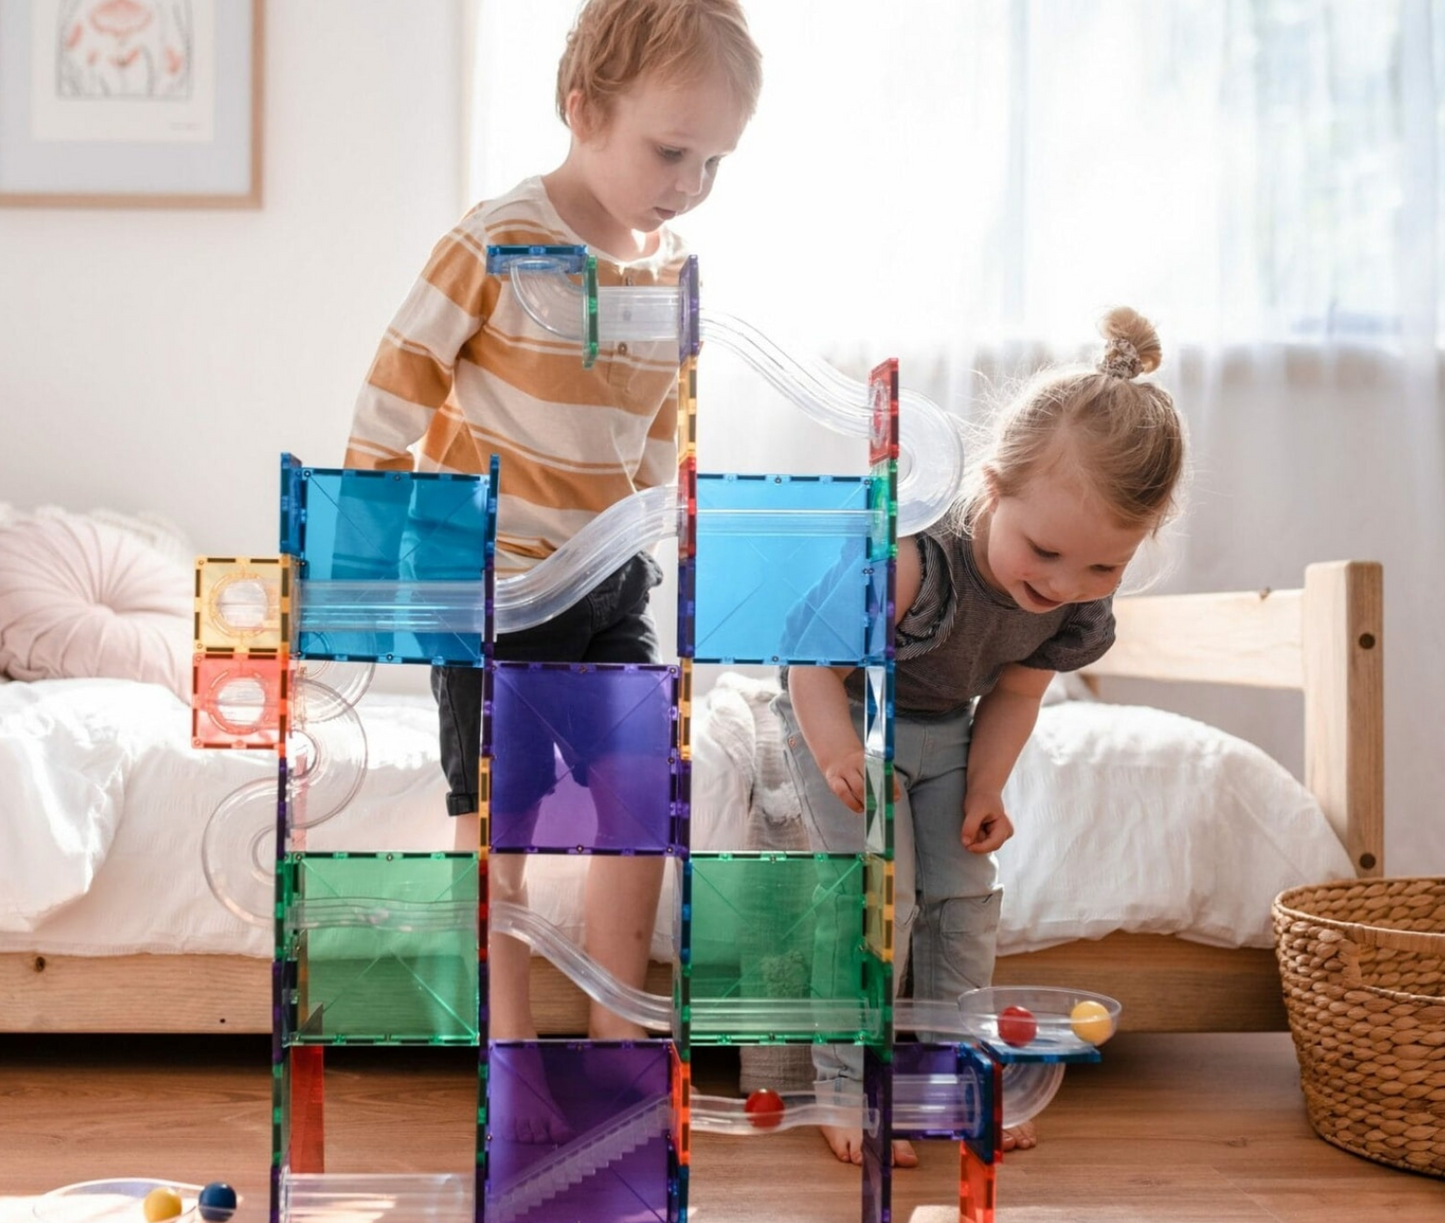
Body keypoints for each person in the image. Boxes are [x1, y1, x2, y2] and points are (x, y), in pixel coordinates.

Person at [343, 0, 762, 1125]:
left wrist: (667, 514)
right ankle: (512, 1054)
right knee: (501, 821)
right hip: (494, 586)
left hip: (609, 579)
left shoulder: (669, 269)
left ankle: (616, 1039)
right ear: (583, 111)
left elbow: (663, 418)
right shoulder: (497, 238)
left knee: (640, 795)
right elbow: (397, 380)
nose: (689, 184)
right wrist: (373, 532)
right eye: (669, 152)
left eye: (713, 162)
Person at [777, 307, 1187, 1167]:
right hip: (848, 714)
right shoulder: (912, 561)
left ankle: (956, 1078)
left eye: (1102, 566)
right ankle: (845, 1084)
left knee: (964, 901)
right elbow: (808, 664)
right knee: (877, 898)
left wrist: (985, 787)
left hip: (946, 729)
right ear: (992, 487)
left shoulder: (1074, 603)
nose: (1063, 584)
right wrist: (836, 753)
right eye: (1044, 550)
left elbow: (1017, 692)